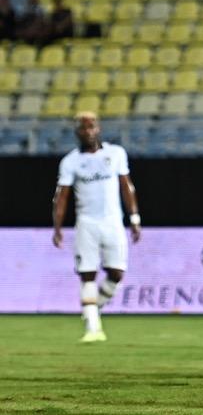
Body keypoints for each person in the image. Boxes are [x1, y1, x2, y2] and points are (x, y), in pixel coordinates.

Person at [52, 112, 141, 342]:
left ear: (98, 129)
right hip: (87, 224)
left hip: (113, 222)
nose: (88, 132)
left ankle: (92, 308)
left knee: (116, 273)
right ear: (78, 133)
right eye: (83, 128)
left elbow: (127, 187)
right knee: (87, 274)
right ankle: (93, 328)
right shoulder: (71, 161)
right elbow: (61, 197)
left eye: (92, 127)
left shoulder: (116, 154)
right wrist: (57, 227)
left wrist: (134, 219)